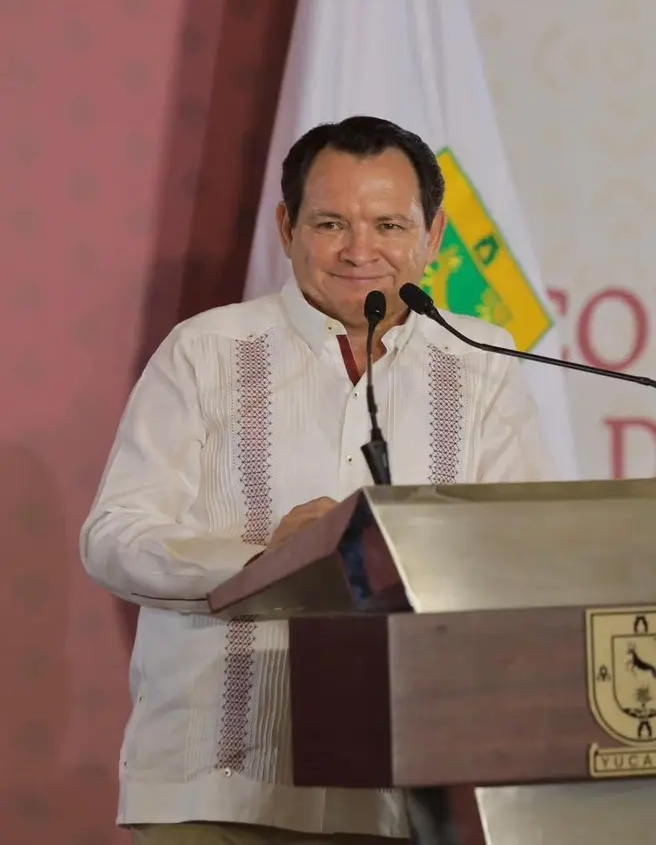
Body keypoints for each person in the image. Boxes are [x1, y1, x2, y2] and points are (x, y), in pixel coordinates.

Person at [80, 115, 555, 844]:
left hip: (412, 791)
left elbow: (528, 555)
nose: (360, 251)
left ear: (432, 238)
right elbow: (114, 539)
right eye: (331, 222)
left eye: (389, 224)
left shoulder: (483, 362)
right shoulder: (206, 351)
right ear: (286, 227)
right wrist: (268, 563)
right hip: (219, 787)